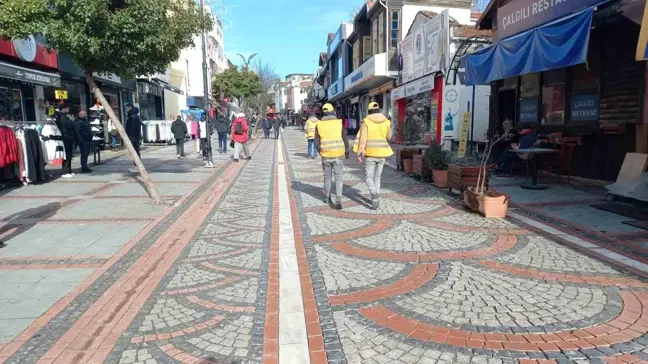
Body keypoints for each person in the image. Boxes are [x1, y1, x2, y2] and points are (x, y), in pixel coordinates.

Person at [355, 102, 393, 210]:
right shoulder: (386, 121)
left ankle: (374, 194)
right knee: (377, 177)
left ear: (369, 111)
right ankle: (375, 198)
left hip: (370, 153)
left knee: (368, 177)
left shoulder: (366, 122)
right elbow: (389, 137)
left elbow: (363, 139)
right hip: (382, 153)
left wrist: (360, 153)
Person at [315, 103, 349, 210]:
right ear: (333, 111)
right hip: (338, 154)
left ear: (323, 112)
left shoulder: (319, 124)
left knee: (327, 177)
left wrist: (320, 151)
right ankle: (338, 198)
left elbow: (316, 141)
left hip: (326, 155)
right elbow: (345, 138)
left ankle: (327, 197)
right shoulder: (339, 123)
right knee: (338, 177)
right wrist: (347, 151)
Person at [54, 103, 75, 178]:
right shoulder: (62, 117)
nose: (68, 110)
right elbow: (65, 128)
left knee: (69, 155)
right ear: (64, 108)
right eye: (68, 108)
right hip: (66, 138)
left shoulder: (63, 116)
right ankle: (65, 171)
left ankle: (68, 170)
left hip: (67, 138)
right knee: (67, 155)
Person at [73, 109, 93, 174]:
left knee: (86, 154)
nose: (85, 115)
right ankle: (84, 167)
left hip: (88, 140)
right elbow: (77, 132)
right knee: (84, 154)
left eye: (85, 113)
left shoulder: (85, 121)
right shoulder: (78, 122)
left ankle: (85, 166)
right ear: (80, 114)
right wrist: (80, 140)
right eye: (83, 114)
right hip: (83, 141)